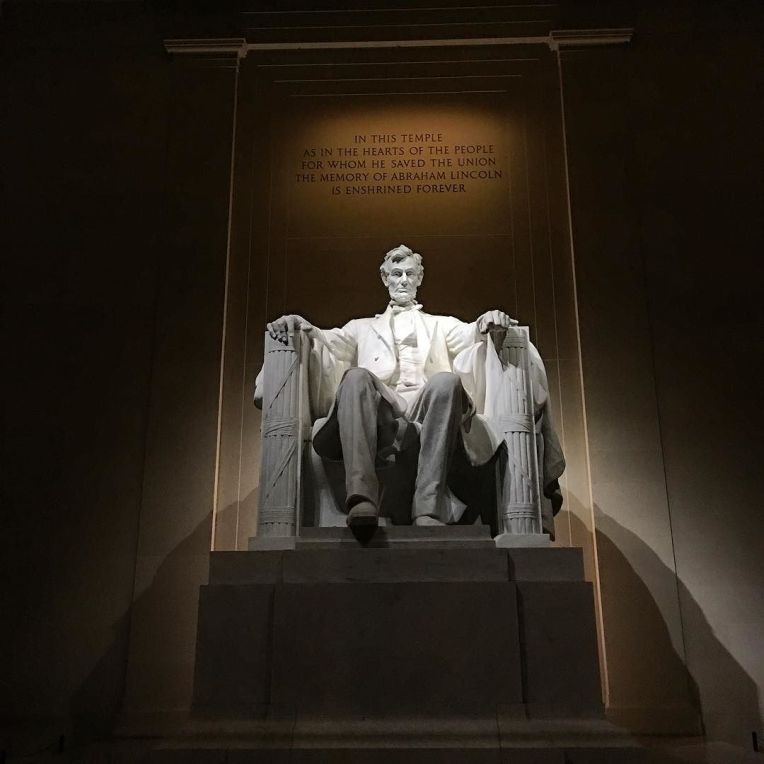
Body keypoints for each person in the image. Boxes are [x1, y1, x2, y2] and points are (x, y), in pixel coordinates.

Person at [266, 244, 530, 529]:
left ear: (419, 278)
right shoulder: (361, 327)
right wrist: (300, 325)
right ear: (385, 278)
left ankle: (428, 508)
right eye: (396, 274)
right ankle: (362, 500)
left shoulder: (440, 324)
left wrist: (487, 321)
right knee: (355, 377)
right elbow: (327, 340)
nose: (403, 280)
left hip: (428, 406)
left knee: (447, 381)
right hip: (381, 408)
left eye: (409, 274)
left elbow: (471, 333)